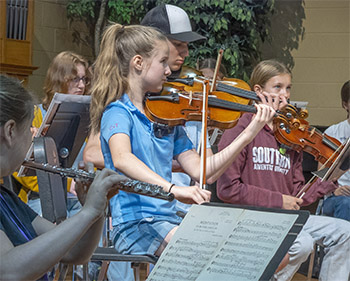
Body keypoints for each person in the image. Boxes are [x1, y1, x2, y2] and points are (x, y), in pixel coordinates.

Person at [89, 21, 274, 274]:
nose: (169, 71)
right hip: (134, 225)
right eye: (162, 62)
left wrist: (248, 133)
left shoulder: (165, 118)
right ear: (138, 63)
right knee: (199, 256)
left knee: (226, 252)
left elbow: (202, 171)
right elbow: (122, 159)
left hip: (167, 220)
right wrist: (174, 190)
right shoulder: (118, 112)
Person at [217, 60, 350, 281]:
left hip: (286, 217)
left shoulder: (291, 136)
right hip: (251, 218)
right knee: (303, 243)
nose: (285, 95)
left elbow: (297, 195)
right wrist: (279, 200)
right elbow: (228, 190)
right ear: (258, 91)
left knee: (345, 232)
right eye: (277, 87)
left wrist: (328, 181)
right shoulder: (240, 129)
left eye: (288, 88)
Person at [0, 74, 125, 281]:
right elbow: (8, 271)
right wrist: (88, 213)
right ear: (10, 131)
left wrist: (95, 211)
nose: (34, 135)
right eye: (30, 127)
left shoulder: (5, 198)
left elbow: (74, 252)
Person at [83, 3, 206, 169]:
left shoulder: (187, 91)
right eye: (178, 44)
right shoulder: (121, 103)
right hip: (151, 191)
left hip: (180, 193)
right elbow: (92, 154)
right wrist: (160, 165)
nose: (186, 53)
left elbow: (205, 168)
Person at [12, 51, 92, 216]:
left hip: (78, 198)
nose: (82, 86)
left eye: (84, 79)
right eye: (75, 79)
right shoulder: (35, 116)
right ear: (59, 79)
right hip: (41, 198)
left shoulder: (87, 118)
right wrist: (65, 183)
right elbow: (20, 169)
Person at [322, 80, 350, 221]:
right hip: (337, 197)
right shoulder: (333, 132)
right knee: (345, 203)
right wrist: (334, 190)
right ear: (345, 104)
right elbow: (321, 175)